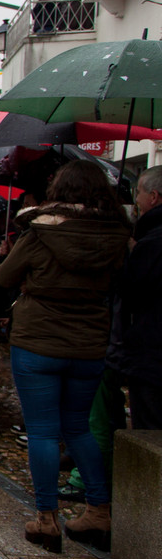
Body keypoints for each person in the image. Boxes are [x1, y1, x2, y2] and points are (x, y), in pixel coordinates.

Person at [0, 160, 131, 552]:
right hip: (89, 344)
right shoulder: (117, 235)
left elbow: (5, 277)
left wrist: (12, 254)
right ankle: (98, 511)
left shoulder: (40, 231)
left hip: (38, 341)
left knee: (42, 432)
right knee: (78, 428)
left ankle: (46, 519)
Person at [120, 165, 162, 430]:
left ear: (154, 197)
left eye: (139, 193)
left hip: (153, 357)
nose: (136, 201)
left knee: (149, 434)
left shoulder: (151, 243)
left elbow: (131, 295)